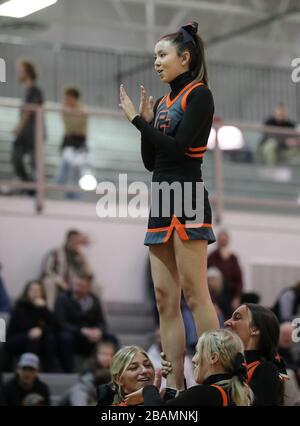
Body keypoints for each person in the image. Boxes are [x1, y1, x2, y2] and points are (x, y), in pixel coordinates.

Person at [119, 21, 218, 390]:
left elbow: (177, 151)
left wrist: (134, 120)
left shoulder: (200, 95)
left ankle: (216, 376)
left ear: (185, 57)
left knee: (195, 292)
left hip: (188, 192)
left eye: (163, 55)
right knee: (165, 298)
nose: (157, 62)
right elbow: (151, 160)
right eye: (155, 57)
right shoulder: (161, 103)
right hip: (161, 195)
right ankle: (176, 384)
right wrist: (145, 121)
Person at [127, 329, 253, 406]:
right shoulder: (238, 394)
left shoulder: (205, 394)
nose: (193, 359)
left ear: (213, 358)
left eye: (198, 352)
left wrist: (149, 390)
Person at [225, 303, 288, 405]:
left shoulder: (266, 369)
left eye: (236, 318)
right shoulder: (232, 365)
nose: (226, 322)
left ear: (254, 329)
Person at [55, 274, 114, 372]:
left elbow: (102, 322)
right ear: (72, 285)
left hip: (90, 335)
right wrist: (81, 331)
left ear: (88, 287)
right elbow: (60, 322)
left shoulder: (94, 300)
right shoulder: (62, 298)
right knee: (66, 338)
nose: (79, 288)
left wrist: (99, 330)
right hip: (73, 333)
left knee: (111, 339)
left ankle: (112, 370)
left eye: (83, 285)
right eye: (77, 284)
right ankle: (68, 370)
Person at [5, 280, 57, 372]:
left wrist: (41, 329)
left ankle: (50, 370)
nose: (35, 293)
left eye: (38, 291)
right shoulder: (20, 305)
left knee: (49, 338)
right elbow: (26, 326)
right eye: (32, 290)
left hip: (33, 338)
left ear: (42, 293)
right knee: (33, 339)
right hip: (15, 338)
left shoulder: (42, 307)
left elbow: (54, 325)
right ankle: (29, 370)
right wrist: (40, 309)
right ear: (27, 292)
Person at [11, 60, 44, 190]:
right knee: (16, 158)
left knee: (34, 163)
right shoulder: (27, 90)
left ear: (28, 72)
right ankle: (28, 186)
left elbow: (30, 111)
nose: (18, 73)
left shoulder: (35, 90)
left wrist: (19, 126)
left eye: (21, 70)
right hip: (25, 131)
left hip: (33, 131)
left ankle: (34, 188)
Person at [41, 229, 93, 308]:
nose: (76, 243)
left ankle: (91, 315)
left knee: (96, 286)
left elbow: (89, 274)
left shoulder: (79, 255)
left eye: (78, 241)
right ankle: (50, 312)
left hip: (74, 283)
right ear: (69, 239)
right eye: (74, 240)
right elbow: (47, 270)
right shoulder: (55, 252)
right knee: (48, 282)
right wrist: (61, 282)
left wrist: (83, 258)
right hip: (58, 282)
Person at [60, 339, 118, 406]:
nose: (106, 357)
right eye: (103, 354)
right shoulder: (88, 371)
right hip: (88, 399)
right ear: (96, 354)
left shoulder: (118, 373)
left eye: (110, 354)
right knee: (78, 390)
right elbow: (83, 390)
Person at [56, 87, 88, 199]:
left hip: (78, 146)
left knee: (75, 173)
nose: (66, 100)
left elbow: (75, 127)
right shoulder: (66, 109)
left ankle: (76, 197)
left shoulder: (82, 110)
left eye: (68, 98)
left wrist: (67, 112)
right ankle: (67, 195)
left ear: (73, 98)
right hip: (67, 144)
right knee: (62, 174)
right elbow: (68, 127)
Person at [208, 229, 243, 311]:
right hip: (216, 293)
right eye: (221, 240)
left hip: (230, 294)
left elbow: (239, 279)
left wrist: (237, 297)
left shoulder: (233, 258)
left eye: (225, 240)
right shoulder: (212, 257)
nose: (223, 242)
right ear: (218, 241)